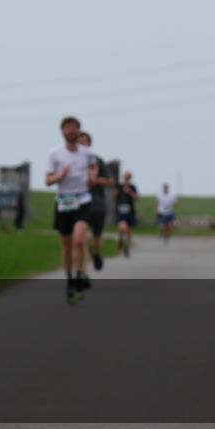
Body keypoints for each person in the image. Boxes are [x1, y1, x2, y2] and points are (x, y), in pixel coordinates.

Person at [46, 116, 98, 304]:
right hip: (63, 201)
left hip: (83, 198)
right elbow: (48, 180)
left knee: (79, 239)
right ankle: (69, 280)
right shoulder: (55, 154)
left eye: (74, 127)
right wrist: (61, 175)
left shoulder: (87, 152)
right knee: (67, 246)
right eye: (67, 127)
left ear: (78, 130)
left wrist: (92, 176)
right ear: (62, 131)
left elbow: (93, 167)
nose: (71, 130)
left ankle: (80, 273)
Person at [77, 131, 113, 271]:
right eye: (79, 141)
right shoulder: (71, 160)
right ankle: (82, 269)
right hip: (79, 205)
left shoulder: (98, 160)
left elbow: (110, 182)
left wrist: (96, 180)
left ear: (89, 144)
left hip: (97, 205)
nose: (82, 144)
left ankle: (96, 253)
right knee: (81, 238)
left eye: (84, 141)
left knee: (96, 237)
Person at [116, 170, 139, 256]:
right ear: (123, 177)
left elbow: (137, 198)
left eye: (129, 177)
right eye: (126, 177)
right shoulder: (119, 186)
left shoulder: (132, 187)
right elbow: (114, 197)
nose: (127, 178)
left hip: (130, 211)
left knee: (129, 231)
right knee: (122, 227)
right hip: (121, 210)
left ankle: (127, 248)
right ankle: (121, 238)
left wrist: (129, 191)